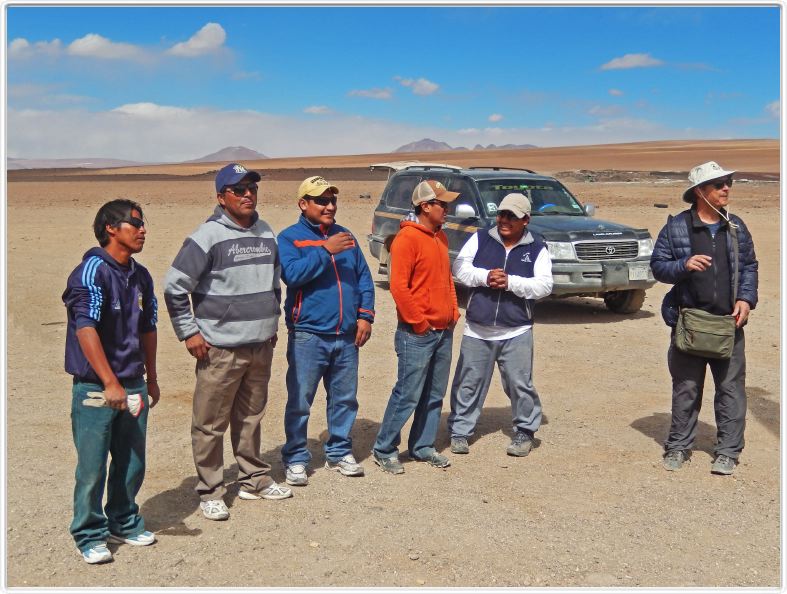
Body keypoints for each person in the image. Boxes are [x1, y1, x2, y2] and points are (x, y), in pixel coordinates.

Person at [164, 162, 291, 521]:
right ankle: (211, 490)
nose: (248, 195)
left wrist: (271, 320)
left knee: (251, 417)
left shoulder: (266, 233)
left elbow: (273, 282)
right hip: (220, 348)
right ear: (222, 197)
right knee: (210, 423)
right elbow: (174, 286)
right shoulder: (207, 236)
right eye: (239, 190)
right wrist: (189, 331)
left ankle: (254, 478)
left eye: (252, 188)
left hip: (260, 345)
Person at [63, 199, 159, 564]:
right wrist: (109, 382)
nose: (142, 229)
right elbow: (85, 328)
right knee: (92, 466)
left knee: (132, 460)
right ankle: (89, 533)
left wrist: (151, 377)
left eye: (143, 223)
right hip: (96, 388)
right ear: (110, 229)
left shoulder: (141, 275)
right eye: (135, 223)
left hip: (133, 381)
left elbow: (148, 327)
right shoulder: (92, 272)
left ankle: (123, 520)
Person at [650, 161, 758, 476]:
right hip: (690, 323)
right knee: (686, 388)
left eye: (728, 183)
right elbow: (658, 267)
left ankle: (727, 452)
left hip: (729, 323)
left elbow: (749, 265)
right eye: (718, 184)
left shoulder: (736, 227)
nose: (726, 189)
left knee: (730, 389)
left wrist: (746, 298)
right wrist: (683, 265)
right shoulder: (676, 228)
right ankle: (678, 447)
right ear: (700, 191)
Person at [277, 176, 375, 486]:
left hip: (346, 336)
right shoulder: (289, 238)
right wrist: (325, 251)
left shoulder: (345, 236)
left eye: (332, 200)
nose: (330, 206)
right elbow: (292, 275)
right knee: (300, 401)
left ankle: (339, 451)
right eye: (321, 200)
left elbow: (363, 278)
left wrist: (365, 317)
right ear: (303, 204)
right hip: (308, 335)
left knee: (344, 399)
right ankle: (296, 457)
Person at [448, 193, 553, 457]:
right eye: (502, 214)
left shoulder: (537, 247)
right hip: (477, 329)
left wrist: (510, 282)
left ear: (525, 220)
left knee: (520, 383)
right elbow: (460, 268)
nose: (504, 220)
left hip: (516, 330)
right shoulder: (481, 238)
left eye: (512, 216)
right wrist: (485, 277)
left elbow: (544, 285)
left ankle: (525, 431)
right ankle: (460, 431)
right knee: (468, 382)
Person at [372, 180, 460, 473]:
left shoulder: (440, 237)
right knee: (408, 393)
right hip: (417, 333)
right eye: (441, 204)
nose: (446, 209)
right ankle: (384, 448)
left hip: (443, 330)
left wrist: (453, 312)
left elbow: (446, 279)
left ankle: (422, 446)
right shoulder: (407, 239)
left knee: (434, 394)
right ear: (425, 206)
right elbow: (399, 287)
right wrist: (419, 323)